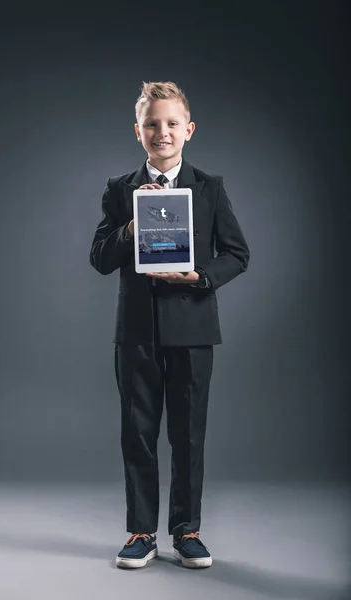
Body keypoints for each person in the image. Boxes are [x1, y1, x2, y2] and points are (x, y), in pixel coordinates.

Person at [89, 81, 250, 569]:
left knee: (188, 434)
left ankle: (187, 531)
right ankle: (141, 533)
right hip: (136, 332)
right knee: (137, 432)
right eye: (153, 124)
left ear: (188, 130)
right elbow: (98, 257)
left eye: (172, 123)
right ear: (138, 132)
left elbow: (238, 254)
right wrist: (131, 227)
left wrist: (200, 276)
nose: (163, 132)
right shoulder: (120, 189)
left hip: (194, 329)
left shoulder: (210, 187)